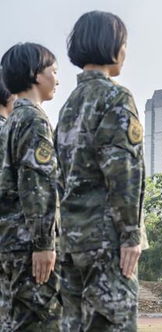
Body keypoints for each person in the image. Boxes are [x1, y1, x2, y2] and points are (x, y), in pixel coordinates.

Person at [55, 11, 145, 331]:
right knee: (113, 323)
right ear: (111, 46)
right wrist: (131, 234)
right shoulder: (115, 97)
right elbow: (123, 172)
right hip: (106, 240)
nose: (125, 51)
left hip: (70, 239)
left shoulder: (69, 105)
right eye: (123, 43)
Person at [0, 42, 61, 331]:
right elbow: (38, 184)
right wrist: (44, 244)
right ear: (36, 75)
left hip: (10, 243)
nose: (57, 78)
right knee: (43, 322)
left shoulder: (11, 121)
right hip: (29, 247)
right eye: (53, 71)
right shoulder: (34, 120)